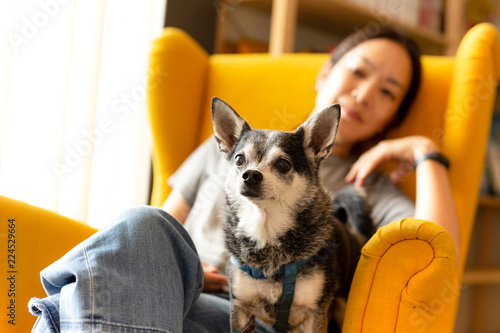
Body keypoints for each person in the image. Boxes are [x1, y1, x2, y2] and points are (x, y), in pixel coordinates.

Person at [29, 26, 460, 333]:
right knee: (141, 222)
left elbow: (439, 250)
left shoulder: (367, 184)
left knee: (68, 305)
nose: (365, 94)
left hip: (252, 317)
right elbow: (162, 229)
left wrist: (424, 152)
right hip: (172, 291)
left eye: (388, 91)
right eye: (359, 72)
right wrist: (185, 267)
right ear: (325, 72)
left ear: (395, 116)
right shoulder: (231, 148)